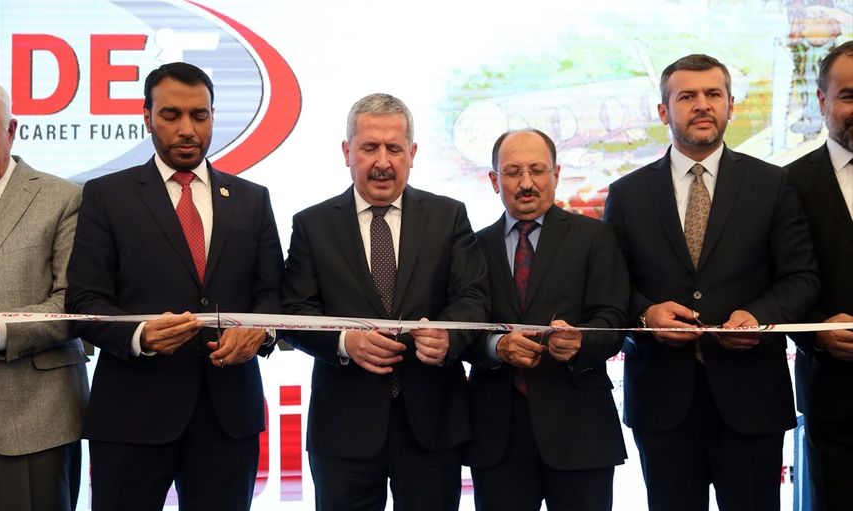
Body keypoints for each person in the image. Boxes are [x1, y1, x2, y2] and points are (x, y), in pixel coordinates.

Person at [602, 54, 820, 511]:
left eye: (713, 94)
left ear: (731, 105)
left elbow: (801, 277)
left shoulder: (772, 184)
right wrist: (646, 313)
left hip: (751, 398)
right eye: (687, 96)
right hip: (662, 399)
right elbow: (609, 284)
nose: (702, 104)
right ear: (663, 111)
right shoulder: (627, 194)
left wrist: (759, 317)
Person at [65, 62, 284, 511]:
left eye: (199, 115)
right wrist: (139, 336)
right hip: (132, 416)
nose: (187, 129)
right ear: (147, 117)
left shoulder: (252, 199)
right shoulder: (105, 196)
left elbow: (273, 295)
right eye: (171, 115)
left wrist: (261, 332)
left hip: (228, 418)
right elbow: (84, 301)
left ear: (213, 116)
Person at [281, 93, 488, 511]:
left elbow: (472, 296)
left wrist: (449, 337)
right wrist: (345, 342)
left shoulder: (448, 216)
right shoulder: (312, 225)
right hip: (344, 430)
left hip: (432, 424)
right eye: (369, 147)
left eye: (394, 148)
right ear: (347, 152)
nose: (382, 161)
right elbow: (293, 311)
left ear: (412, 153)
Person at [464, 129, 629, 511]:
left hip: (580, 429)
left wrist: (582, 341)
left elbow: (614, 319)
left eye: (537, 170)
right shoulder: (472, 246)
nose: (526, 183)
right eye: (513, 172)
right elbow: (462, 326)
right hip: (497, 435)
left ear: (556, 174)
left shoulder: (595, 237)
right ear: (494, 180)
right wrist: (495, 346)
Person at [0, 83, 89, 511]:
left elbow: (74, 304)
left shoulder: (63, 197)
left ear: (11, 130)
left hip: (34, 417)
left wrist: (0, 330)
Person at [786, 40, 853, 511]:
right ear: (822, 100)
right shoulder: (787, 184)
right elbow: (779, 278)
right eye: (849, 95)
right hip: (836, 394)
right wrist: (817, 330)